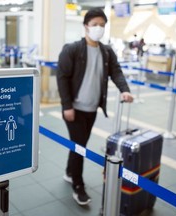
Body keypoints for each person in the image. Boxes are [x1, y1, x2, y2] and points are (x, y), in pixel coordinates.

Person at [56, 8, 134, 206]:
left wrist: (124, 89)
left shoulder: (106, 52)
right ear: (85, 27)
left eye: (102, 25)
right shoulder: (72, 49)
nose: (98, 28)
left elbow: (116, 72)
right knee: (80, 146)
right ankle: (78, 185)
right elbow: (62, 77)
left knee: (78, 143)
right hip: (74, 108)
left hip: (92, 109)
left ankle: (69, 171)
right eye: (94, 24)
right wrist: (67, 106)